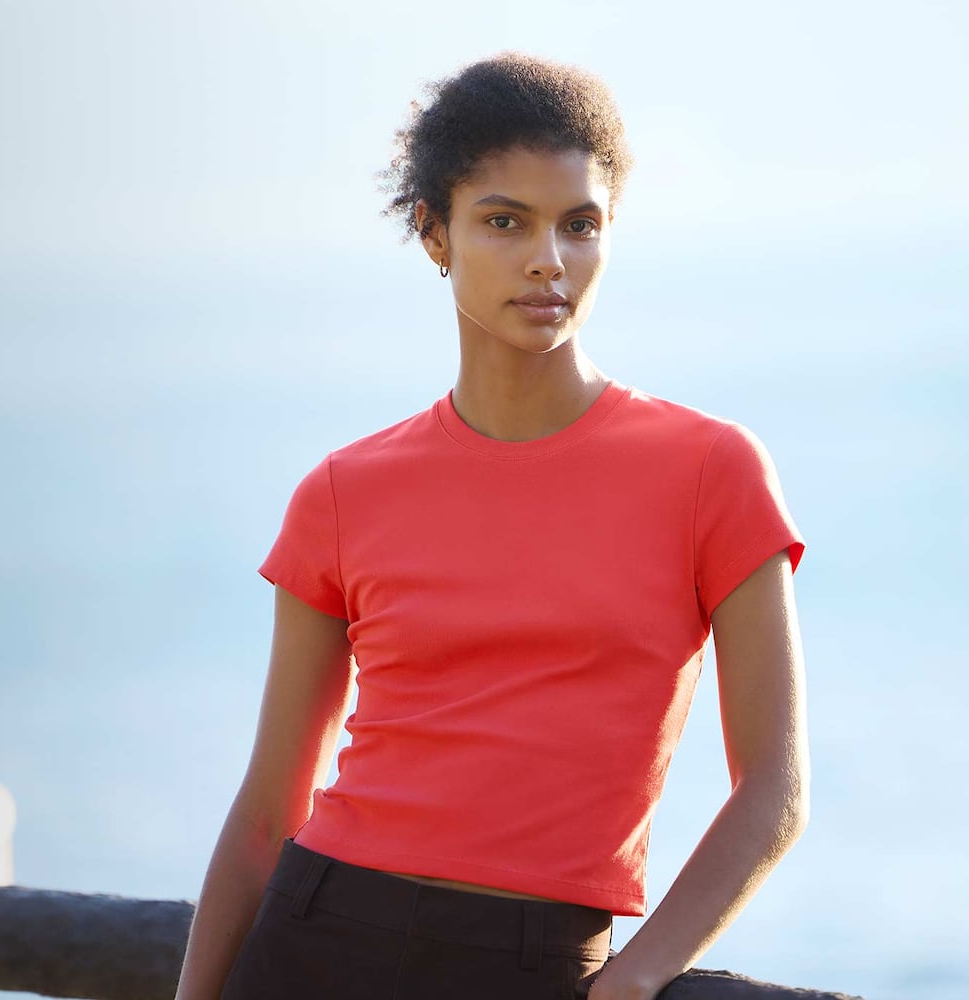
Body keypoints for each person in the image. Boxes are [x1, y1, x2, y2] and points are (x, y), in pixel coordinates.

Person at [173, 51, 809, 1000]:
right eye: (504, 221)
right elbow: (269, 810)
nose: (547, 258)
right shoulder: (344, 491)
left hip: (536, 962)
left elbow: (774, 794)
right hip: (316, 940)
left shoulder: (712, 471)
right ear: (435, 235)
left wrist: (638, 977)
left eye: (579, 225)